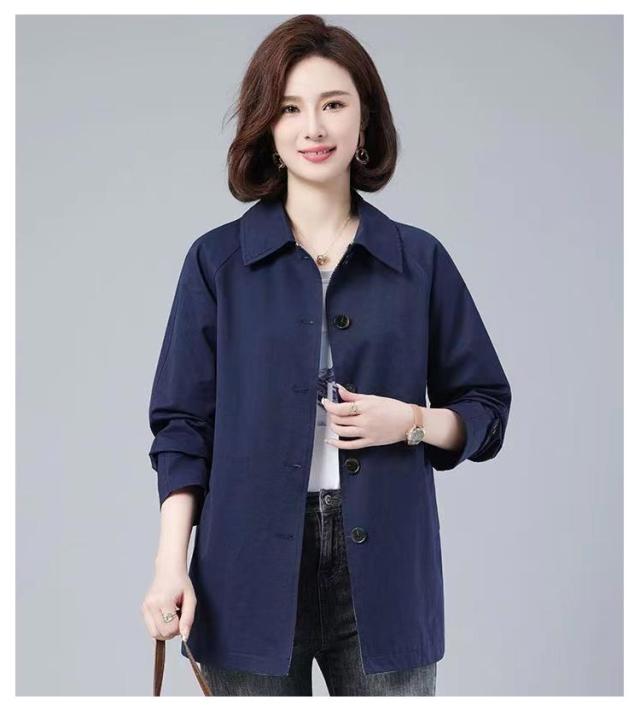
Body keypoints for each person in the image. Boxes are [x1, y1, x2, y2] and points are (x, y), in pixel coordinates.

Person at [141, 14, 511, 696]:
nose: (313, 127)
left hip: (387, 573)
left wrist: (412, 422)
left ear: (364, 121)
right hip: (242, 569)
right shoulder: (217, 263)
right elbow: (182, 426)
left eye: (333, 104)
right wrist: (171, 565)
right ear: (267, 129)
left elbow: (487, 406)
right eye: (290, 108)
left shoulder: (419, 261)